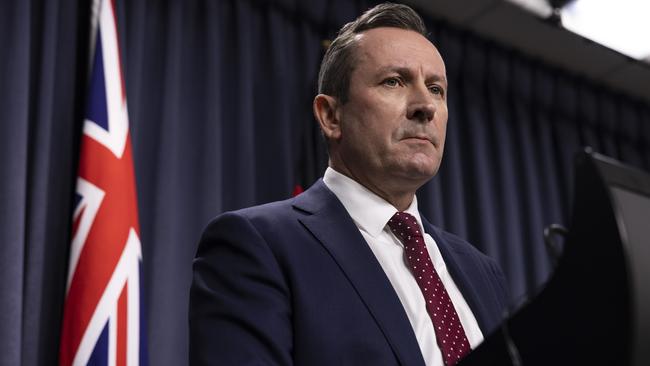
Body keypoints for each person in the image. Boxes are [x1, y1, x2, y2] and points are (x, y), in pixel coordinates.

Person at [189, 3, 509, 365]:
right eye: (394, 81)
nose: (425, 106)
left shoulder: (482, 271)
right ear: (330, 116)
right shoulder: (259, 245)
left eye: (436, 89)